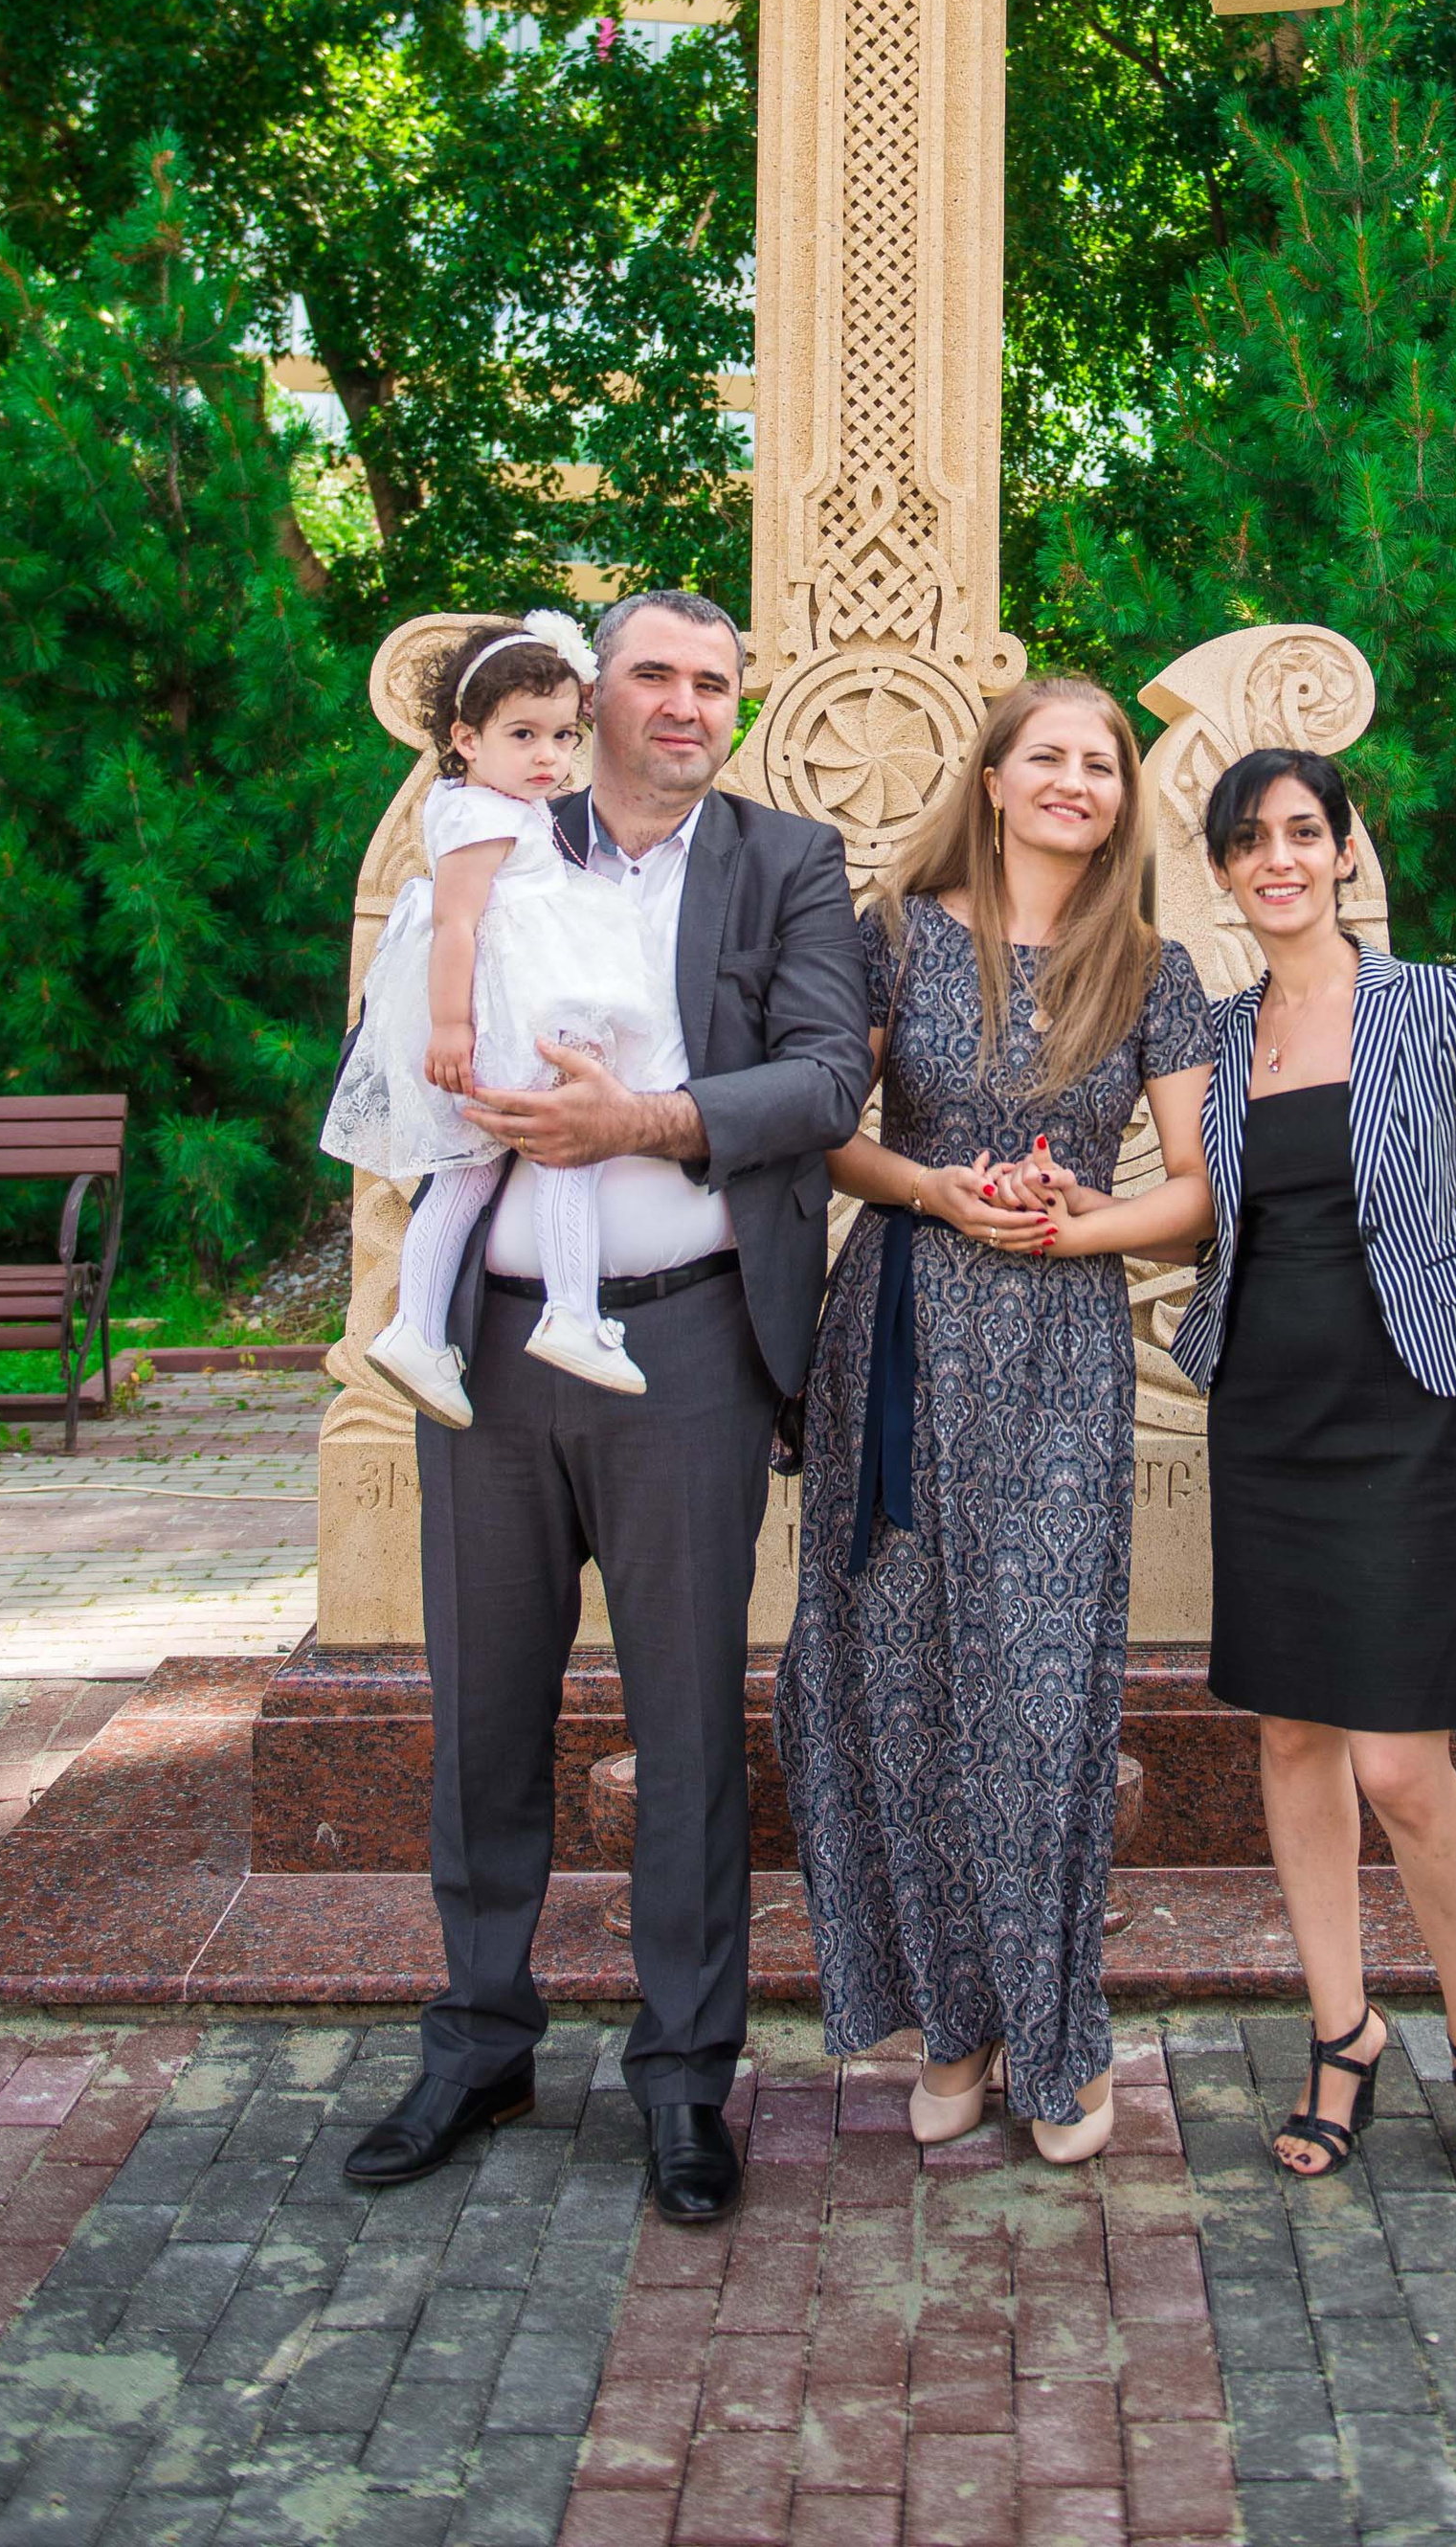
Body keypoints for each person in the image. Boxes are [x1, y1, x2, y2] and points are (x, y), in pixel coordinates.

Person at [343, 592, 871, 2228]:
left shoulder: (785, 863)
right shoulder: (504, 824)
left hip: (690, 1349)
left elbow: (824, 1077)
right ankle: (482, 2039)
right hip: (491, 1354)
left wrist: (636, 1118)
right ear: (597, 689)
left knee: (690, 1724)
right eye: (656, 673)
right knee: (485, 1707)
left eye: (716, 682)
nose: (686, 704)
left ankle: (684, 2078)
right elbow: (402, 1020)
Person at [1165, 749, 1456, 2193]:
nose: (1280, 859)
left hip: (1403, 1412)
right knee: (1293, 1740)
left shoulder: (1441, 1003)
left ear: (1348, 845)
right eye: (1251, 841)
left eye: (1305, 830)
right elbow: (1201, 1219)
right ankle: (1341, 2026)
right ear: (1227, 871)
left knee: (1403, 1764)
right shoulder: (1221, 1030)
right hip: (1263, 1415)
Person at [774, 678, 1213, 2162]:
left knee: (1039, 1688)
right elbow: (826, 1129)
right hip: (896, 1325)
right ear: (996, 773)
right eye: (1053, 756)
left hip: (1056, 1346)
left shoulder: (1150, 963)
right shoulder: (896, 929)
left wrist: (1081, 1227)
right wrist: (937, 1187)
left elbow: (1201, 1191)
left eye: (1103, 763)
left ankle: (1054, 2026)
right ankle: (946, 2024)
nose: (1078, 781)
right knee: (895, 1679)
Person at [323, 613, 661, 1425]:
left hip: (506, 1009)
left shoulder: (481, 801)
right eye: (524, 735)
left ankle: (415, 1329)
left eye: (562, 736)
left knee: (467, 1175)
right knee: (566, 1151)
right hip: (509, 1015)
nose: (549, 756)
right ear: (465, 737)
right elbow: (455, 925)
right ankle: (572, 1311)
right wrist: (449, 1027)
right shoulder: (483, 815)